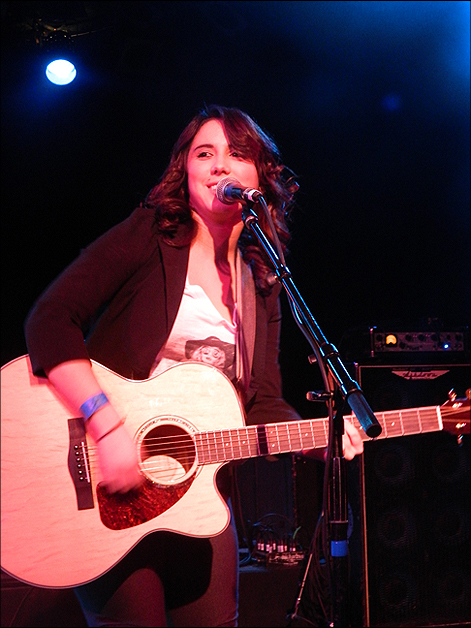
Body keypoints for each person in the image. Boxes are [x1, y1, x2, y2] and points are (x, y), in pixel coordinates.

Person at [24, 104, 364, 627]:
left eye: (237, 153)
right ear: (184, 171)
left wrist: (320, 438)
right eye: (205, 153)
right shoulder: (150, 235)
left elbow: (261, 403)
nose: (220, 164)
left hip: (198, 502)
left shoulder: (262, 280)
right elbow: (50, 320)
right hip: (104, 490)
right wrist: (106, 425)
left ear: (259, 177)